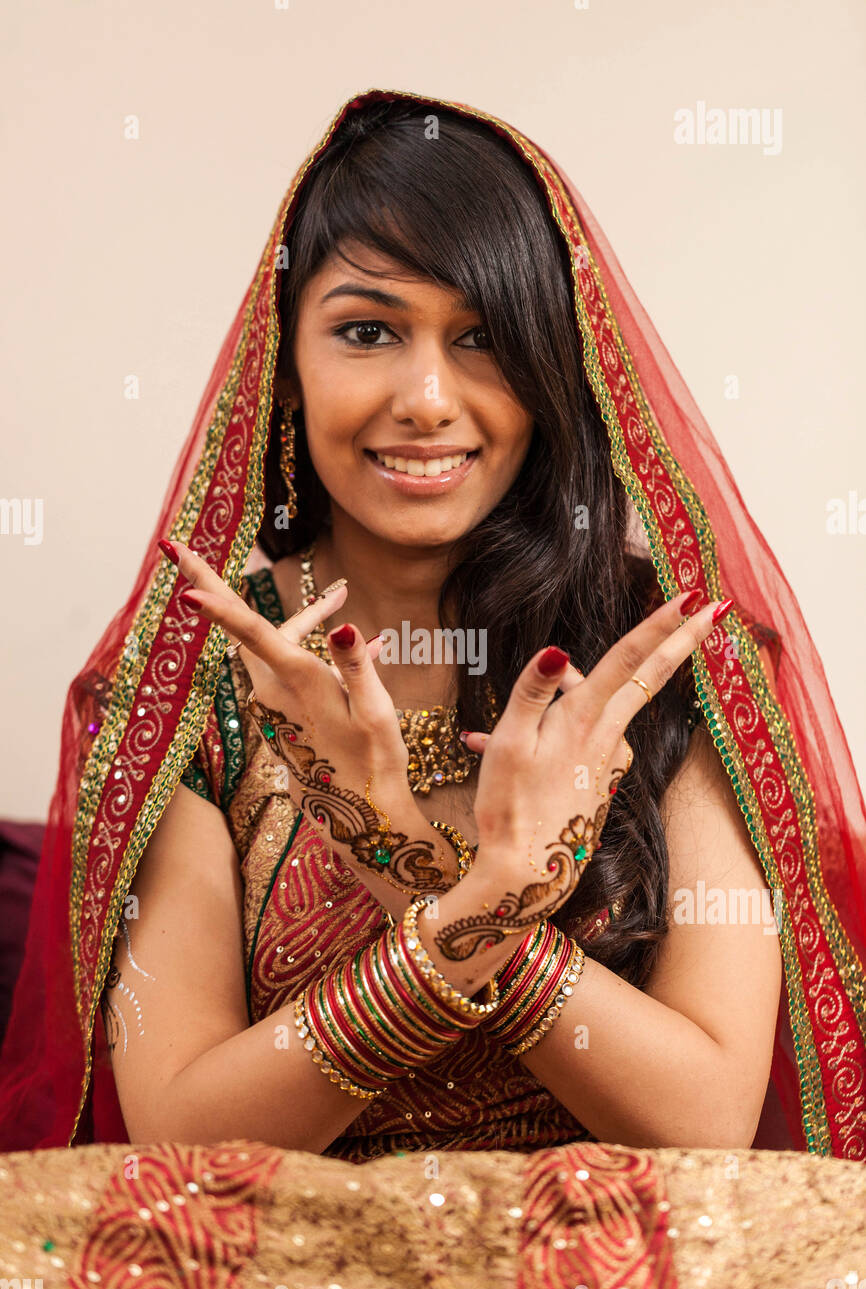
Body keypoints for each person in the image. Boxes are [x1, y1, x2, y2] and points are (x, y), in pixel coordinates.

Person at [1, 88, 864, 1174]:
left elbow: (699, 1117)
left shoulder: (659, 653)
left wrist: (389, 848)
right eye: (367, 331)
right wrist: (481, 894)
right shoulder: (197, 679)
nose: (424, 397)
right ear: (285, 358)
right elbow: (184, 1130)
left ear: (557, 367)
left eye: (483, 339)